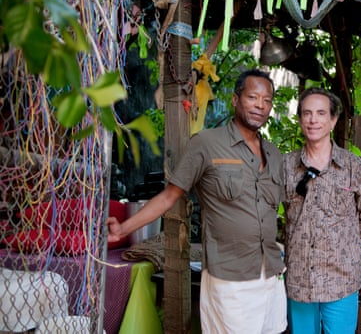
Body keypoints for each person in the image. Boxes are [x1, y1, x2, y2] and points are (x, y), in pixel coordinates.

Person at [106, 69, 287, 334]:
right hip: (230, 276)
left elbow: (269, 210)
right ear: (236, 99)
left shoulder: (273, 153)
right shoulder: (206, 143)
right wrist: (123, 229)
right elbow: (169, 196)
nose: (261, 105)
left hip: (270, 273)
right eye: (253, 97)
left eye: (267, 100)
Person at [282, 88, 361, 334]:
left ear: (333, 120)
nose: (313, 120)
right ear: (300, 119)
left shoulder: (352, 166)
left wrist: (340, 242)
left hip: (341, 279)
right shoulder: (285, 166)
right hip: (299, 278)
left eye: (320, 113)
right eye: (307, 113)